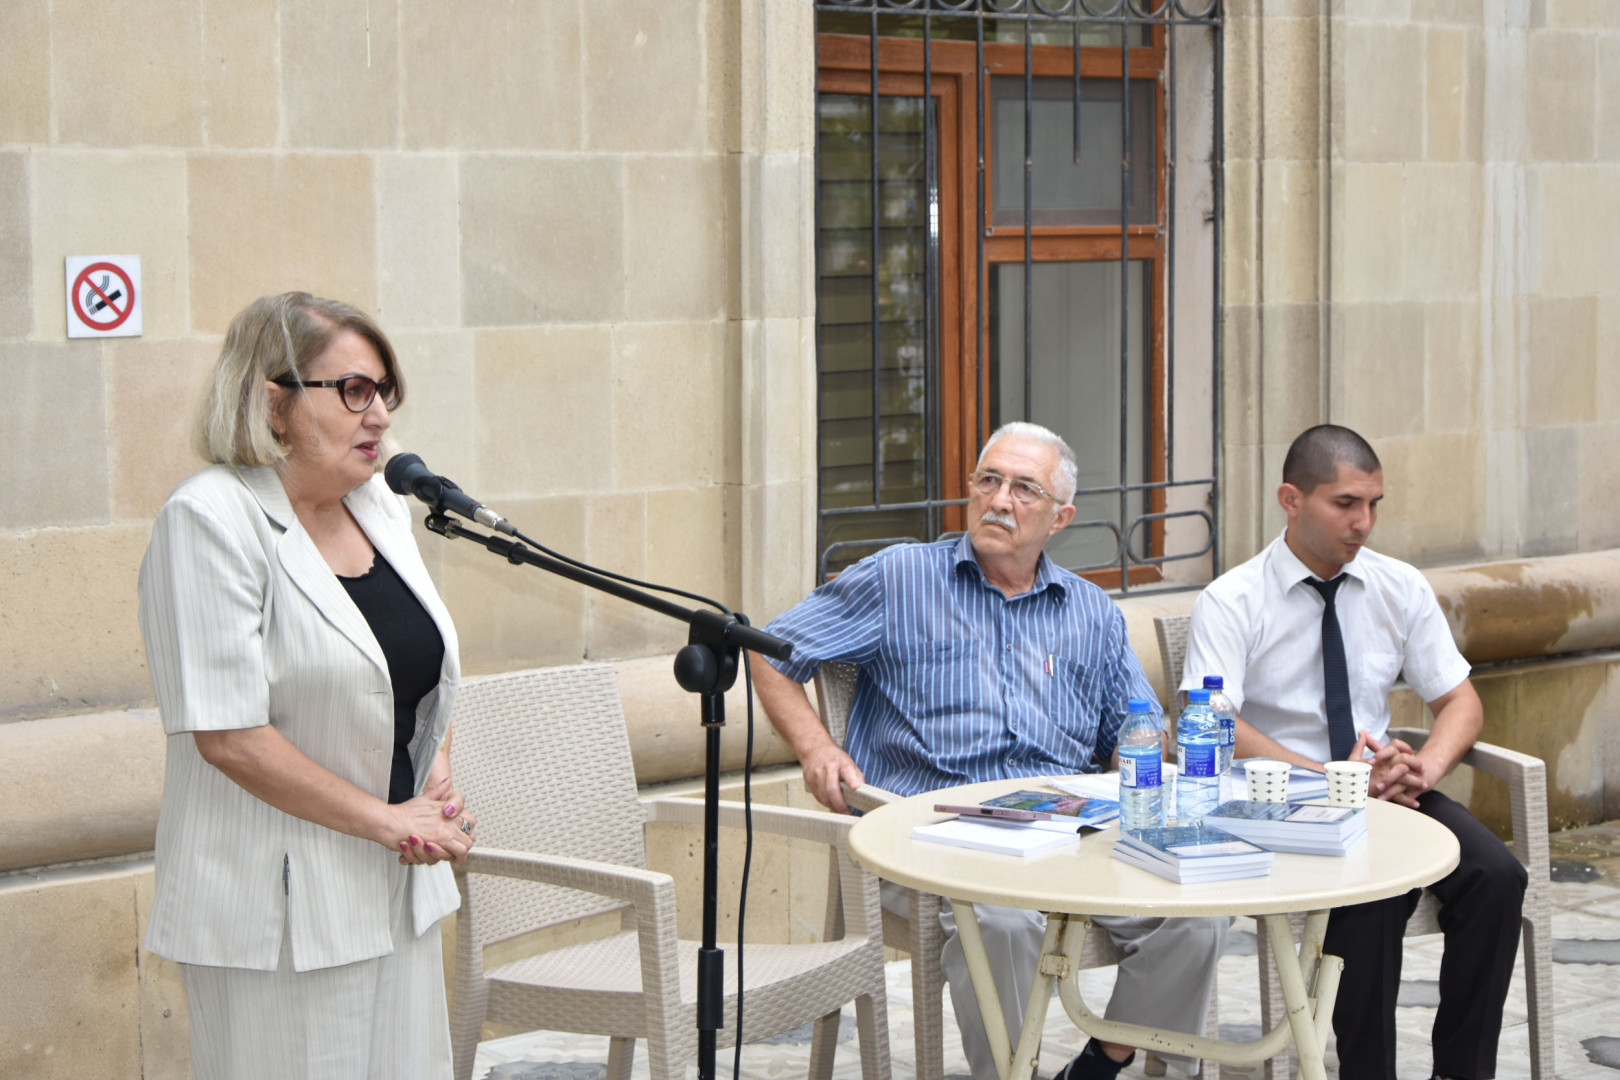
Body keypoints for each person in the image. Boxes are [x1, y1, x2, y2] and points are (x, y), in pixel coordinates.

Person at [752, 421, 1226, 1080]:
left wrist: (1140, 762)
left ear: (1060, 517)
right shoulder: (901, 578)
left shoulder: (1091, 611)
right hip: (932, 838)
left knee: (1196, 916)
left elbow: (1141, 727)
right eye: (989, 481)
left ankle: (1100, 1063)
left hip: (1068, 835)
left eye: (1024, 488)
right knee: (1003, 922)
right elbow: (769, 651)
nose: (1000, 500)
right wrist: (816, 749)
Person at [138, 292, 474, 1080]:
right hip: (275, 910)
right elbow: (228, 735)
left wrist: (435, 766)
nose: (380, 415)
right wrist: (388, 821)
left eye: (385, 390)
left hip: (395, 891)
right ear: (273, 401)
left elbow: (414, 672)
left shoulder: (381, 506)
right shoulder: (209, 520)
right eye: (353, 389)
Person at [1181, 424, 1526, 1080]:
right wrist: (1331, 776)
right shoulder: (1233, 600)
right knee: (1372, 897)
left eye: (1373, 504)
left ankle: (1462, 1070)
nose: (1363, 522)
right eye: (1345, 503)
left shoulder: (1398, 586)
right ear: (1291, 498)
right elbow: (1211, 719)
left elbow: (1462, 703)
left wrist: (1427, 766)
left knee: (1497, 877)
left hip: (1389, 794)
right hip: (1281, 801)